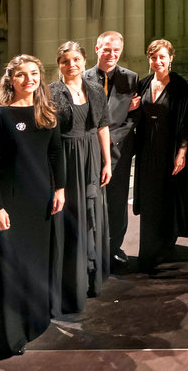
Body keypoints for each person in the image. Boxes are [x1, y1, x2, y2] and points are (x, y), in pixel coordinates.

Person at [0, 55, 66, 363]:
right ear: (10, 80)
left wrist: (60, 188)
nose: (29, 79)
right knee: (8, 270)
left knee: (33, 265)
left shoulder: (47, 112)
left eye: (33, 74)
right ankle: (6, 337)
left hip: (38, 202)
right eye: (21, 75)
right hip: (8, 204)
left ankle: (33, 323)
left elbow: (56, 152)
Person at [50, 41, 111, 314]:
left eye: (76, 59)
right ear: (59, 64)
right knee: (69, 216)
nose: (71, 64)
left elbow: (102, 127)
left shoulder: (96, 90)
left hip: (92, 156)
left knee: (91, 212)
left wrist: (107, 161)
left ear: (84, 61)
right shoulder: (50, 92)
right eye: (65, 60)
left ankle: (90, 275)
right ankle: (68, 282)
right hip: (65, 156)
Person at [133, 39, 188, 271]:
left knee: (168, 197)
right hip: (147, 148)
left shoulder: (181, 86)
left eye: (162, 57)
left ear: (171, 58)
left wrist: (182, 151)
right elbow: (134, 116)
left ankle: (167, 247)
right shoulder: (142, 84)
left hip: (170, 147)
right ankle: (148, 250)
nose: (157, 61)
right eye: (153, 57)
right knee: (149, 197)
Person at [83, 30, 140, 273]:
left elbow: (133, 118)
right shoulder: (83, 78)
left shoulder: (131, 78)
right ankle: (92, 251)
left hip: (120, 152)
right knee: (92, 202)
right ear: (97, 49)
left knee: (117, 203)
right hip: (90, 152)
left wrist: (110, 141)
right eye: (106, 49)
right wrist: (97, 143)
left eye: (116, 50)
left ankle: (115, 247)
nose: (111, 54)